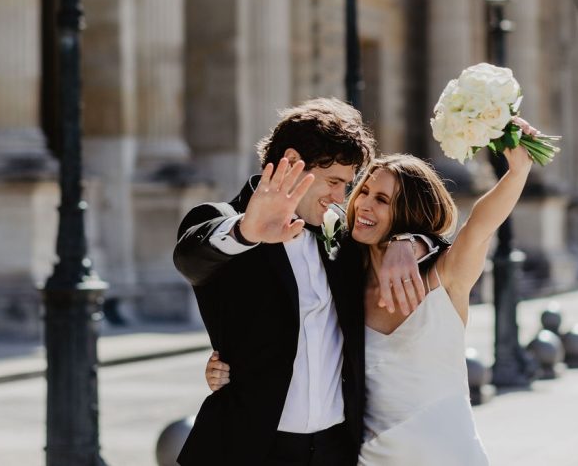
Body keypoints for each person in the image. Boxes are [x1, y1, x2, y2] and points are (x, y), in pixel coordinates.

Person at [206, 124, 537, 465]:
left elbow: (479, 226)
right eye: (362, 191)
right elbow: (295, 328)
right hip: (371, 457)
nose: (362, 204)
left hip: (448, 454)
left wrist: (517, 172)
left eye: (381, 200)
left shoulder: (445, 277)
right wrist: (233, 363)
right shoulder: (344, 277)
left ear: (408, 212)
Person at [173, 98, 427, 466]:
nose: (342, 197)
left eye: (347, 184)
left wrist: (409, 242)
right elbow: (190, 259)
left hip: (336, 450)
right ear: (292, 163)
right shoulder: (225, 223)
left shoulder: (343, 235)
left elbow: (442, 235)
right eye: (334, 182)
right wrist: (247, 232)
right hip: (249, 449)